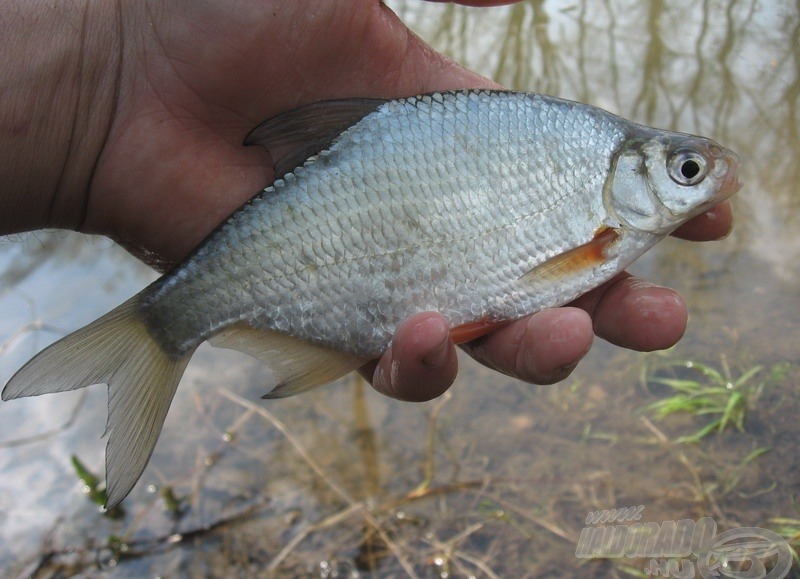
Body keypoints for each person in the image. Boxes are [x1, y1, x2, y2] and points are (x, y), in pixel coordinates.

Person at [0, 0, 732, 402]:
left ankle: (181, 322)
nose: (701, 180)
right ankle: (168, 325)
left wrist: (106, 71)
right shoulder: (597, 203)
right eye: (688, 170)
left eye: (687, 170)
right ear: (631, 174)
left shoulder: (585, 157)